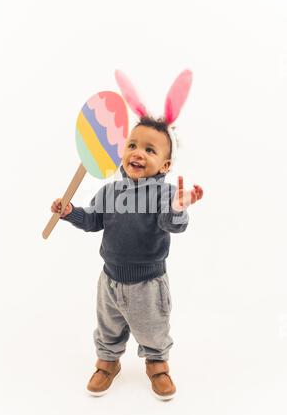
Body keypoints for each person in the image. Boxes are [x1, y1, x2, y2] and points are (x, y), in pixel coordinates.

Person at [51, 114, 203, 400]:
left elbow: (173, 224)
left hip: (148, 282)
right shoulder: (109, 191)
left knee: (153, 327)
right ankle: (108, 361)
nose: (137, 152)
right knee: (108, 325)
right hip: (109, 279)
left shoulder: (165, 194)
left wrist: (178, 207)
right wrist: (71, 213)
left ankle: (157, 363)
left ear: (166, 165)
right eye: (132, 144)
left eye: (149, 149)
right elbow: (93, 221)